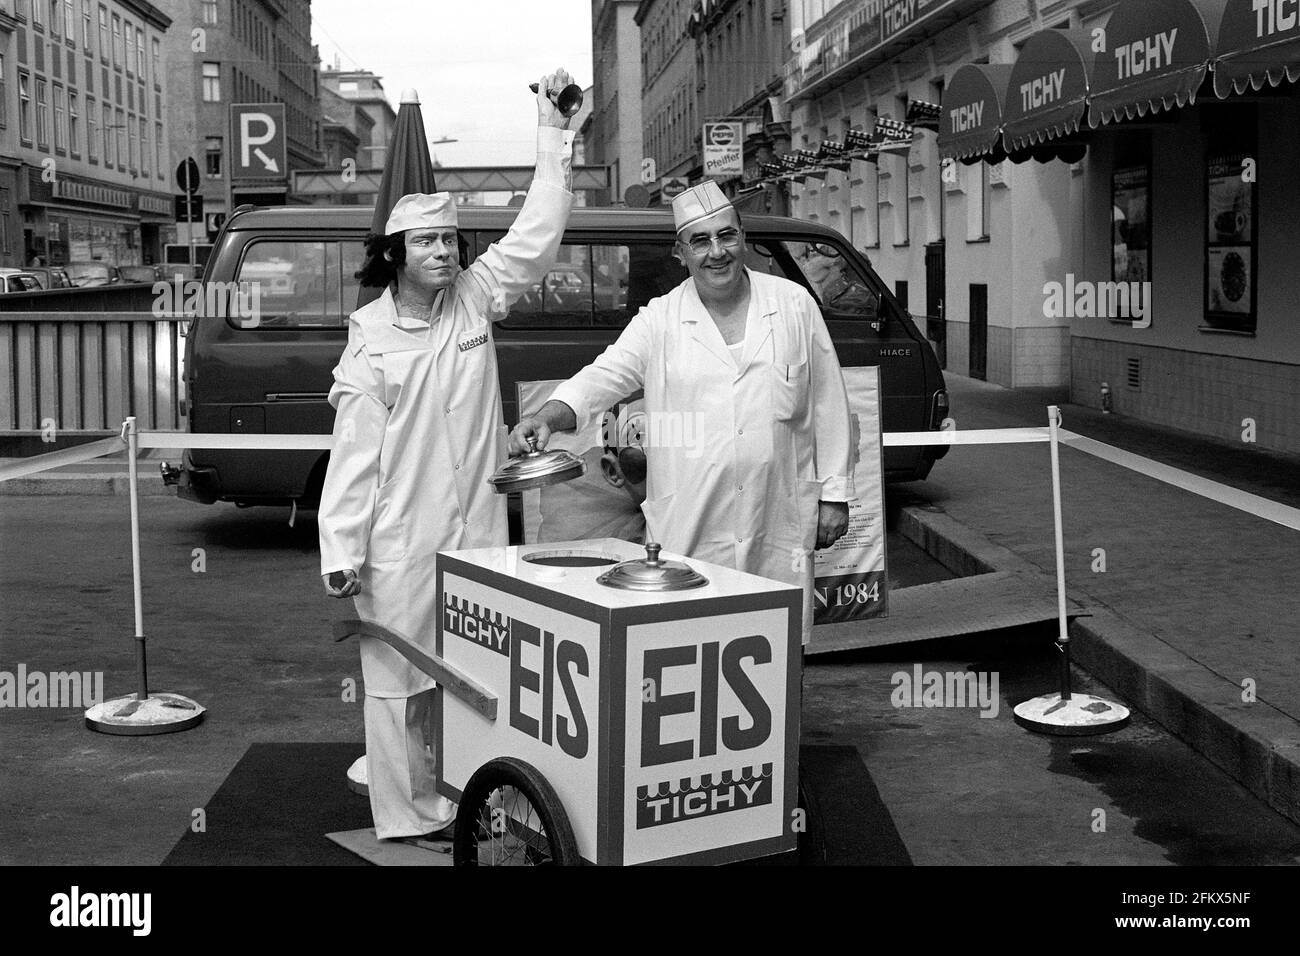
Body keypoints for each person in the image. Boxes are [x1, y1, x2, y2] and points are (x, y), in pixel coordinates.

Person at [318, 68, 578, 842]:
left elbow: (536, 233)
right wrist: (343, 547)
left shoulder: (475, 295)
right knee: (397, 685)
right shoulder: (369, 337)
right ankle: (403, 816)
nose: (444, 252)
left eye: (450, 239)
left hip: (477, 537)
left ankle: (466, 798)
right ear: (394, 253)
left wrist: (551, 134)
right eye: (427, 241)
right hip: (400, 541)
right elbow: (353, 456)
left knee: (469, 676)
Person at [509, 180, 854, 643]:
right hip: (693, 520)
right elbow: (602, 376)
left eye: (726, 235)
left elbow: (828, 400)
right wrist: (546, 417)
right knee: (694, 646)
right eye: (701, 240)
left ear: (742, 237)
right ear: (681, 253)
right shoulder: (660, 319)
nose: (717, 252)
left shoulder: (793, 304)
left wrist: (835, 494)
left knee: (779, 642)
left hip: (776, 511)